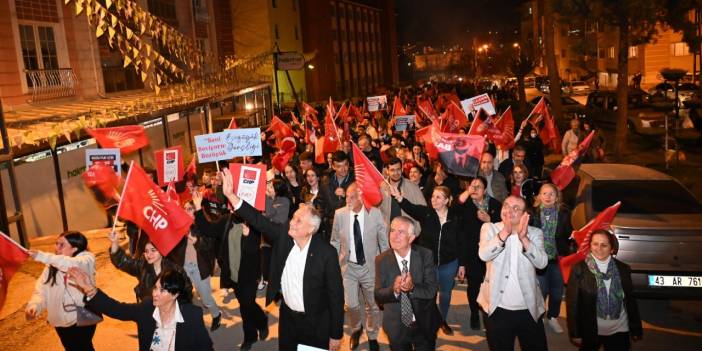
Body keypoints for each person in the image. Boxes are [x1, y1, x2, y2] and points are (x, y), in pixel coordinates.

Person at [221, 168, 344, 351]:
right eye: (293, 218)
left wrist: (336, 334)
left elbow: (336, 297)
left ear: (311, 229)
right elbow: (257, 220)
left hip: (315, 323)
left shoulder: (326, 254)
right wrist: (231, 196)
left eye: (298, 221)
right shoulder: (284, 237)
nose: (292, 222)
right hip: (287, 320)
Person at [193, 191, 268, 350]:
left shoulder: (254, 223)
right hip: (233, 275)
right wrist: (198, 207)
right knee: (246, 304)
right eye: (232, 205)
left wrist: (249, 236)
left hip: (249, 275)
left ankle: (250, 337)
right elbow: (208, 229)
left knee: (246, 306)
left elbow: (253, 250)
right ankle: (261, 320)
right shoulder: (227, 220)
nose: (233, 208)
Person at [69, 268, 213, 351]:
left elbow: (205, 347)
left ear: (175, 294)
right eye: (155, 288)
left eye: (162, 290)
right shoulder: (146, 308)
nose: (155, 293)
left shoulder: (191, 314)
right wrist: (90, 290)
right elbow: (117, 309)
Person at [389, 185, 466, 336]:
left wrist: (462, 264)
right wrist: (399, 197)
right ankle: (428, 319)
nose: (433, 200)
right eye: (432, 196)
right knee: (429, 293)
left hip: (449, 263)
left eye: (438, 197)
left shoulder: (456, 217)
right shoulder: (427, 214)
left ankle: (442, 320)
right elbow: (411, 208)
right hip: (429, 264)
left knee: (445, 294)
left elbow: (461, 242)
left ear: (447, 200)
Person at [478, 196, 549, 351]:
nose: (509, 211)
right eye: (506, 206)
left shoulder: (535, 233)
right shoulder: (490, 228)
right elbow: (484, 254)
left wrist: (524, 239)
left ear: (525, 215)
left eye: (515, 208)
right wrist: (505, 232)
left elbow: (542, 263)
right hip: (497, 308)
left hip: (528, 308)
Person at [330, 183, 389, 351]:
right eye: (346, 196)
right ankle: (356, 329)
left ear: (361, 197)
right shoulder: (339, 214)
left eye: (351, 197)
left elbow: (384, 244)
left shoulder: (375, 214)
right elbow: (334, 241)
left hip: (370, 268)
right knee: (351, 305)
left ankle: (372, 335)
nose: (347, 200)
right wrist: (334, 265)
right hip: (348, 268)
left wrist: (384, 268)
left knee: (373, 305)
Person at [566, 230, 643, 351]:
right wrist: (575, 332)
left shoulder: (623, 269)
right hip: (591, 331)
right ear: (590, 246)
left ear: (612, 249)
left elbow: (630, 301)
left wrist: (636, 328)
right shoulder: (579, 269)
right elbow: (573, 304)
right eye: (595, 244)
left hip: (620, 330)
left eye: (604, 245)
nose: (599, 248)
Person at [374, 216, 441, 350]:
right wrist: (394, 290)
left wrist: (412, 287)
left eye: (401, 232)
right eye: (392, 231)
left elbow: (431, 290)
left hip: (424, 323)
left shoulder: (425, 255)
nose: (395, 236)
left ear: (411, 238)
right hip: (396, 327)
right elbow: (378, 295)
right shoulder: (381, 260)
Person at [26, 231, 97, 351]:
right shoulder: (50, 267)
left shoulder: (86, 260)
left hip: (82, 317)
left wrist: (42, 256)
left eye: (62, 245)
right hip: (60, 321)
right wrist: (34, 306)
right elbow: (41, 291)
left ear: (74, 249)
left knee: (82, 347)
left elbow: (70, 264)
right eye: (56, 243)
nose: (56, 248)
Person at [456, 176, 502, 330]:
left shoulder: (495, 204)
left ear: (485, 189)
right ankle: (474, 313)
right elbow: (455, 208)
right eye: (472, 186)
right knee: (473, 285)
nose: (475, 189)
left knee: (492, 284)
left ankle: (491, 312)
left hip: (492, 252)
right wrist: (462, 262)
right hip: (472, 253)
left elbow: (503, 227)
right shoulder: (466, 205)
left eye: (478, 187)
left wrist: (489, 219)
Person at [170, 201, 222, 332]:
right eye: (185, 208)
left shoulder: (203, 226)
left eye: (190, 208)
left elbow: (210, 247)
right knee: (182, 294)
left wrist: (197, 242)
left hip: (200, 267)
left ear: (196, 210)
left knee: (205, 298)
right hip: (184, 267)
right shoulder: (180, 226)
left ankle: (216, 314)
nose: (186, 211)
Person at [530, 182, 574, 333]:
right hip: (538, 258)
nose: (548, 197)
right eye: (544, 193)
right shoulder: (532, 213)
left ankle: (552, 316)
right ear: (539, 196)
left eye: (551, 194)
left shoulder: (564, 213)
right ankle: (540, 315)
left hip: (557, 258)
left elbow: (569, 233)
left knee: (556, 291)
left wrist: (573, 236)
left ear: (556, 197)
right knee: (541, 289)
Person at [109, 234, 180, 303]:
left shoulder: (174, 268)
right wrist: (115, 243)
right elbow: (123, 262)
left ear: (161, 250)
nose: (149, 254)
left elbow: (186, 290)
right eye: (146, 251)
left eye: (153, 250)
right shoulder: (142, 264)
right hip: (146, 308)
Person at [380, 157, 427, 231]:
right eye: (392, 170)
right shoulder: (381, 187)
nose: (396, 173)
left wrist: (415, 232)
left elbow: (423, 210)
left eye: (398, 169)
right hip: (387, 233)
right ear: (387, 171)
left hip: (407, 235)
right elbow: (377, 210)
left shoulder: (413, 186)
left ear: (402, 169)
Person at [319, 151, 355, 241]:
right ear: (333, 166)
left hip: (349, 224)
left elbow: (361, 203)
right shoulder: (326, 180)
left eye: (345, 165)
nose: (343, 169)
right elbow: (320, 201)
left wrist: (346, 196)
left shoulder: (356, 180)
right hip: (330, 226)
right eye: (339, 166)